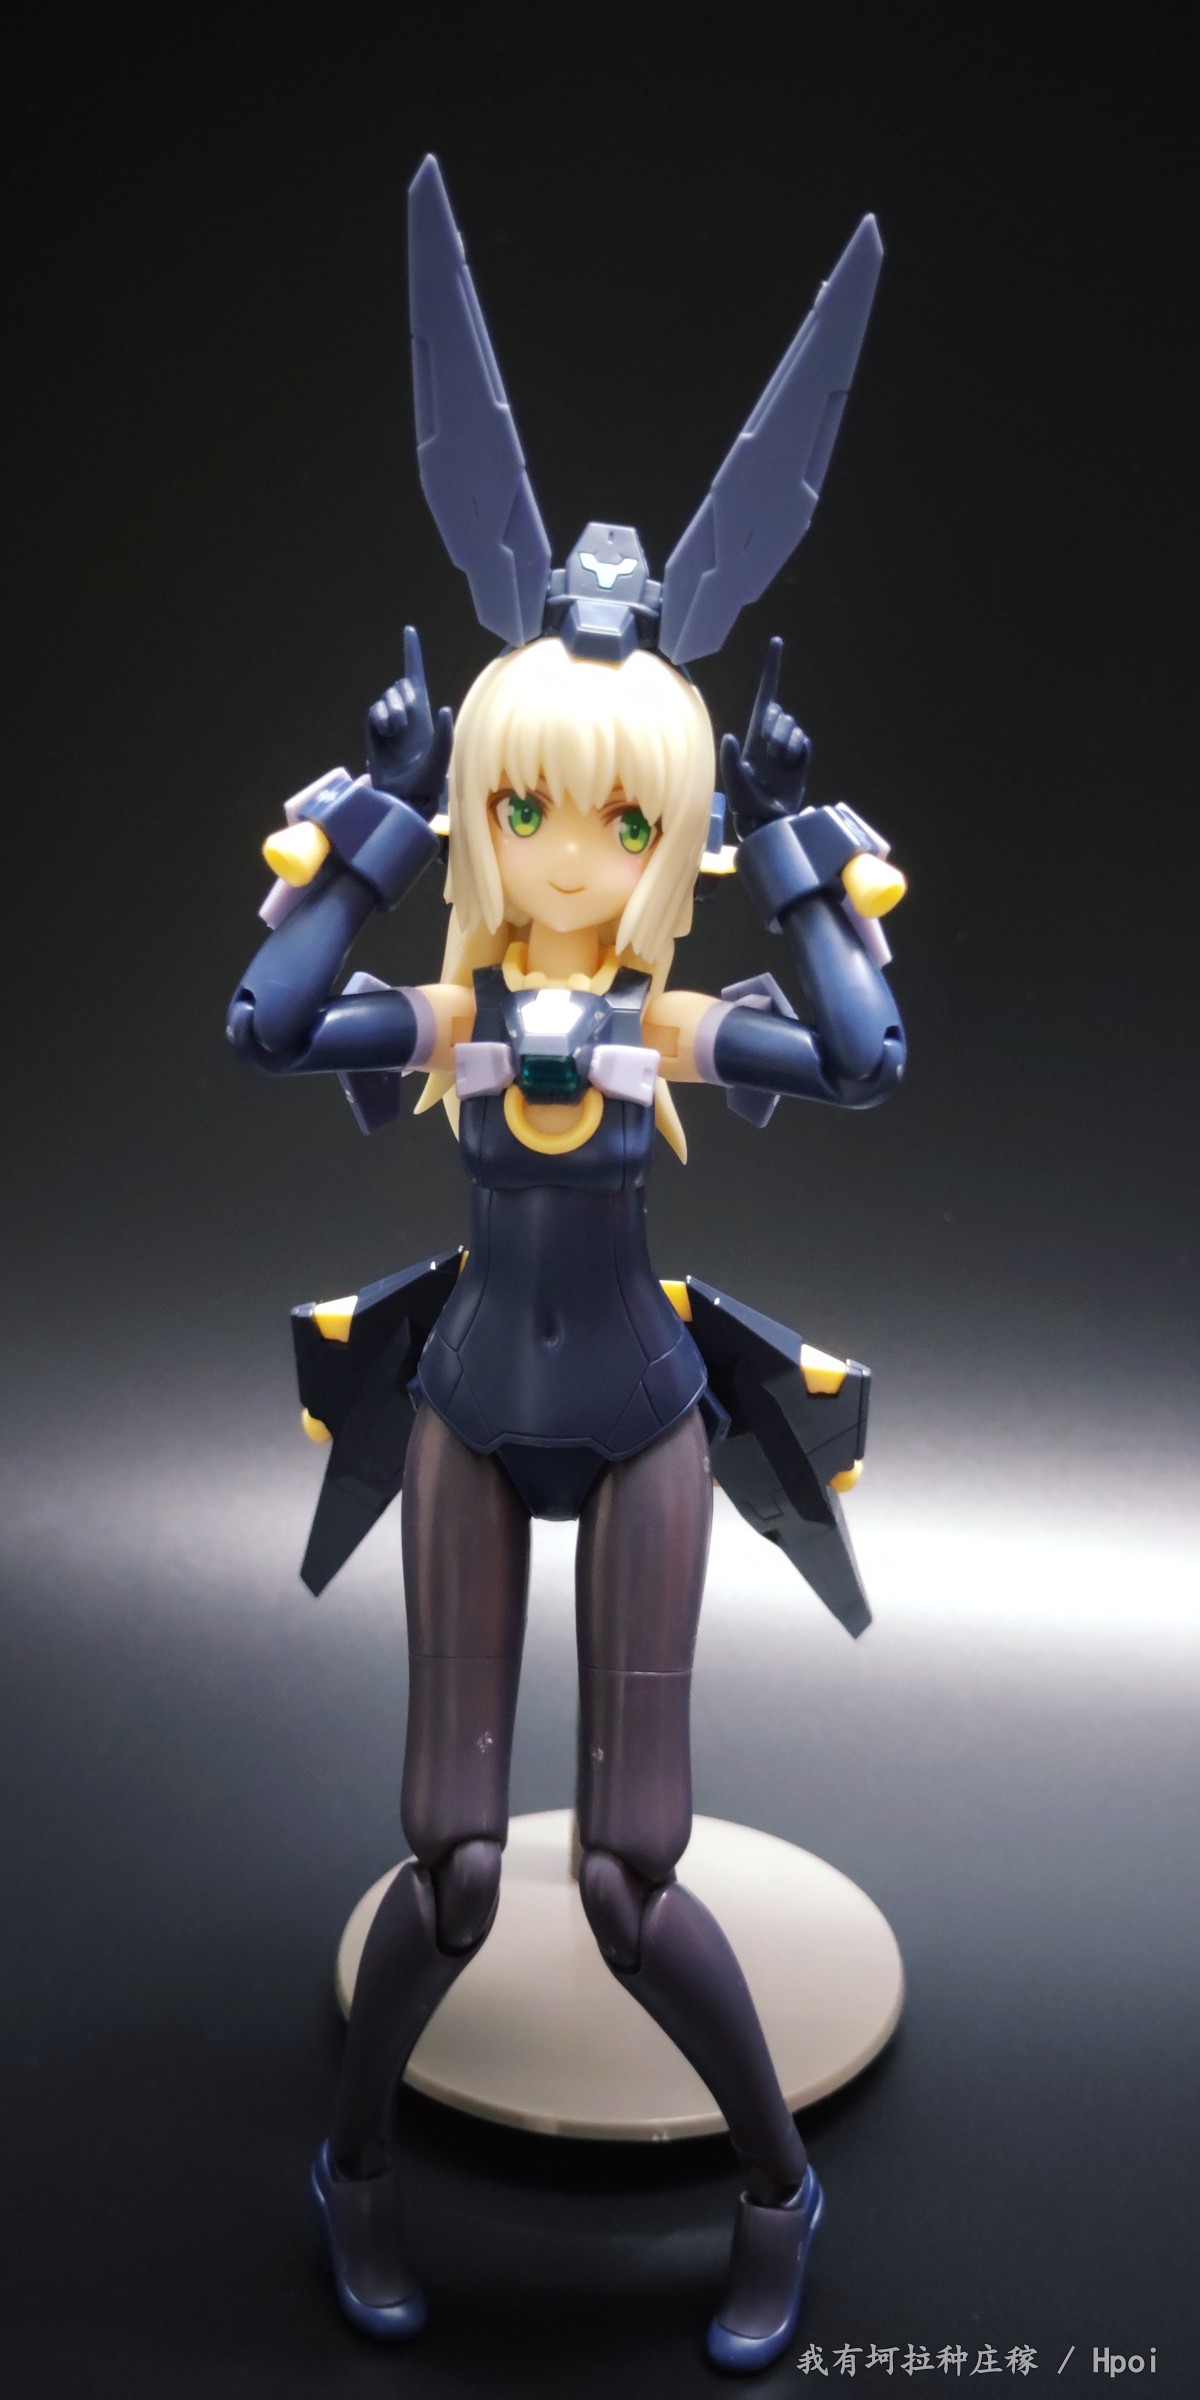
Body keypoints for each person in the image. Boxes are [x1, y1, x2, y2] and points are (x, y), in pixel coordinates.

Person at [226, 153, 904, 2374]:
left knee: (624, 1874)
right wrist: (387, 815)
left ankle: (776, 2192)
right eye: (532, 806)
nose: (575, 850)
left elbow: (866, 1059)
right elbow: (266, 1024)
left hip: (636, 1425)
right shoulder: (454, 1009)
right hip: (462, 1412)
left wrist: (788, 841)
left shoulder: (659, 1022)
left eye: (626, 819)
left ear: (666, 833)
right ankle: (354, 2168)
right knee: (449, 1864)